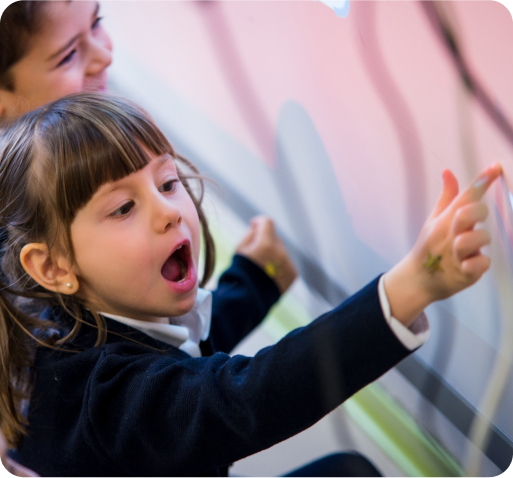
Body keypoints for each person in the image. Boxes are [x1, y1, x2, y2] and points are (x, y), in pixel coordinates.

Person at [0, 93, 501, 477]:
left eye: (168, 183)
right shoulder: (103, 399)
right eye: (123, 208)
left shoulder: (70, 311)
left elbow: (189, 346)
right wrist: (410, 286)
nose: (169, 212)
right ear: (52, 267)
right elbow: (239, 398)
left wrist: (256, 281)